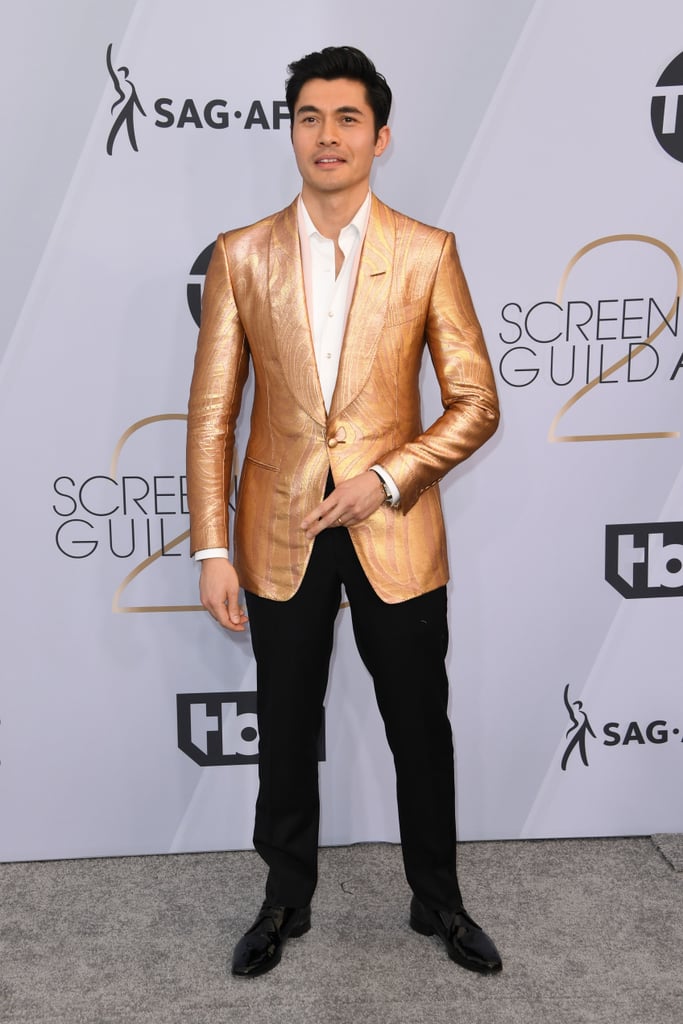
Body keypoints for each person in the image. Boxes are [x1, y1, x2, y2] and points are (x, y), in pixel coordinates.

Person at [186, 45, 502, 978]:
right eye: (310, 118)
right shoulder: (241, 255)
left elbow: (476, 401)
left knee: (419, 724)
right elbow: (212, 418)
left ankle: (436, 901)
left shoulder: (426, 252)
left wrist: (389, 478)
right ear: (291, 131)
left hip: (393, 527)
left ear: (380, 136)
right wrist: (211, 548)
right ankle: (284, 900)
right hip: (277, 529)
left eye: (347, 119)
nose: (328, 136)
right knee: (283, 724)